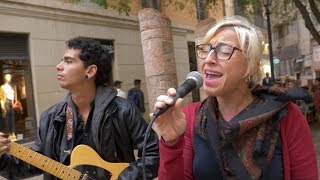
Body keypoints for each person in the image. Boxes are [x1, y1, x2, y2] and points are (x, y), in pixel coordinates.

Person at [152, 16, 318, 179]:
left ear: (251, 66)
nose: (209, 59)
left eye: (224, 50)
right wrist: (171, 143)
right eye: (206, 49)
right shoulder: (190, 117)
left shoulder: (287, 116)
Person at [0, 37, 159, 179]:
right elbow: (29, 165)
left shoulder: (124, 110)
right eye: (61, 60)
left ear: (90, 71)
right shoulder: (51, 117)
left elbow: (153, 154)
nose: (58, 66)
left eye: (68, 61)